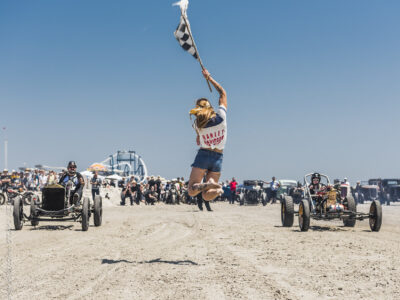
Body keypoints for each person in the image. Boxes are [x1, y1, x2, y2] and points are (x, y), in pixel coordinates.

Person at [188, 69, 227, 202]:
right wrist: (209, 78)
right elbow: (222, 92)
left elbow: (198, 141)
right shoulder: (221, 116)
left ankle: (205, 185)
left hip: (204, 155)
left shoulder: (198, 125)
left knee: (192, 191)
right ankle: (218, 190)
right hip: (218, 156)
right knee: (207, 196)